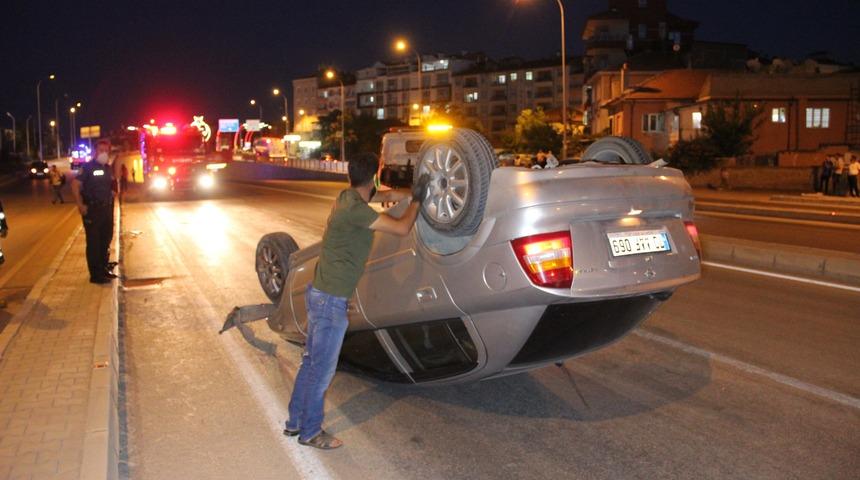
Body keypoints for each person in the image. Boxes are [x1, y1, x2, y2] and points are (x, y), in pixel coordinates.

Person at [284, 152, 430, 450]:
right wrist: (417, 201)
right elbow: (402, 227)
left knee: (311, 363)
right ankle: (310, 432)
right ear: (374, 176)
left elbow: (385, 194)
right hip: (329, 303)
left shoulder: (347, 198)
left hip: (321, 295)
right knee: (322, 371)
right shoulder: (357, 212)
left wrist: (410, 192)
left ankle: (295, 422)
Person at [72, 139, 117, 284]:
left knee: (106, 240)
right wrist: (80, 205)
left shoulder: (107, 168)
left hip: (106, 209)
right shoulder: (87, 167)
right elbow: (75, 185)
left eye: (106, 150)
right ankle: (95, 275)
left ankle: (104, 268)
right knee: (94, 243)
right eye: (100, 150)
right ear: (95, 152)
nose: (103, 153)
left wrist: (113, 193)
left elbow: (111, 184)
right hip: (92, 210)